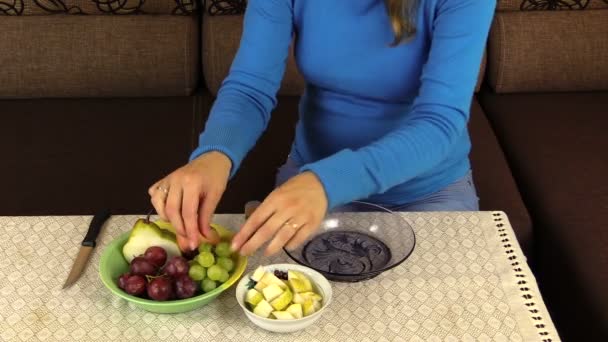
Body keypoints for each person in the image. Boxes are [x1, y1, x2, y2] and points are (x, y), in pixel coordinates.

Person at [149, 0, 496, 257]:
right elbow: (250, 87)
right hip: (308, 182)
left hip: (427, 191)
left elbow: (439, 121)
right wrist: (213, 155)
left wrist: (328, 182)